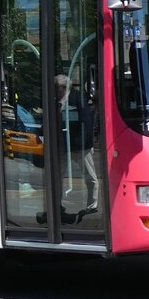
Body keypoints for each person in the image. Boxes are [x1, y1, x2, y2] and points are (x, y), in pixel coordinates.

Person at [55, 74, 98, 211]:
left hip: (79, 146)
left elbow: (86, 122)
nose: (54, 90)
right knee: (56, 176)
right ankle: (57, 204)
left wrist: (83, 143)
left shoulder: (77, 99)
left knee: (90, 177)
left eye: (56, 87)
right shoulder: (54, 101)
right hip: (61, 147)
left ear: (63, 87)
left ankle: (92, 206)